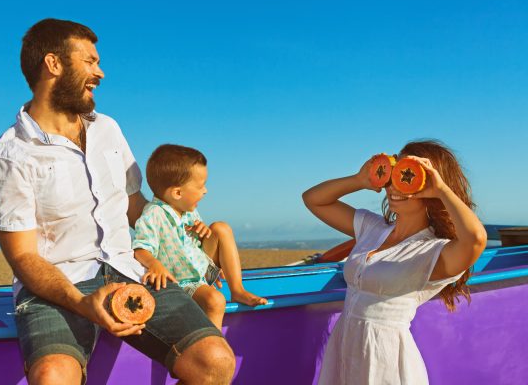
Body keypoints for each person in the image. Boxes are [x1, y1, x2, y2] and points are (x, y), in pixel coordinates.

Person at [0, 18, 235, 385]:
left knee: (215, 361)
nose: (100, 73)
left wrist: (190, 244)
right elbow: (23, 258)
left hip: (131, 272)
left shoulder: (108, 129)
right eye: (90, 61)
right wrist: (83, 303)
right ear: (53, 64)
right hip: (58, 287)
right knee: (52, 377)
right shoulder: (7, 158)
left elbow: (135, 207)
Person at [302, 140, 487, 385]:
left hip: (385, 362)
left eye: (407, 175)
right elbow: (313, 199)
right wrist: (360, 180)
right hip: (344, 350)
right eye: (393, 174)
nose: (394, 186)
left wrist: (442, 189)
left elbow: (475, 240)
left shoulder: (434, 251)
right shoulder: (372, 228)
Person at [132, 144, 267, 329]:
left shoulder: (188, 210)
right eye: (201, 186)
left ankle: (237, 290)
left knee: (221, 228)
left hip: (200, 271)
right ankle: (214, 343)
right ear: (177, 193)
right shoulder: (153, 214)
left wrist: (203, 233)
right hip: (182, 282)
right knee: (215, 301)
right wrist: (154, 264)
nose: (205, 191)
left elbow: (195, 245)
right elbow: (140, 249)